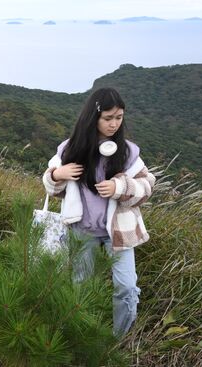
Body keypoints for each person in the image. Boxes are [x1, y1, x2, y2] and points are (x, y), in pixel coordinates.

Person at [42, 87, 156, 336]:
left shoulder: (128, 152)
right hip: (82, 230)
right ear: (93, 117)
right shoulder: (70, 149)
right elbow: (51, 186)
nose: (114, 124)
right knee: (81, 286)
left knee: (126, 286)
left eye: (119, 117)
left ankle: (119, 339)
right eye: (108, 118)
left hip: (120, 231)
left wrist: (120, 186)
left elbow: (148, 186)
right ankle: (82, 336)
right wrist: (56, 175)